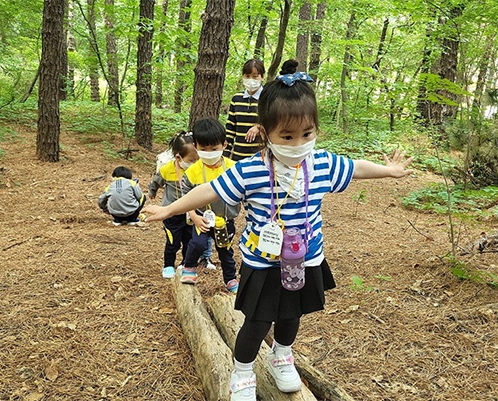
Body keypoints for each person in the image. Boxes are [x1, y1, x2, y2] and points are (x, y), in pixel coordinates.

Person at [143, 59, 413, 400]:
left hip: (307, 256)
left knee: (292, 314)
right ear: (265, 132)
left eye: (307, 134)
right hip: (263, 260)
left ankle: (282, 356)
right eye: (286, 135)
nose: (297, 142)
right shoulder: (251, 170)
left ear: (316, 130)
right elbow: (208, 191)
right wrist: (169, 208)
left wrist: (389, 171)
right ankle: (241, 372)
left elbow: (356, 167)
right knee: (257, 320)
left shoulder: (323, 163)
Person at [179, 118, 241, 293]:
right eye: (203, 149)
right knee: (197, 244)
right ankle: (189, 267)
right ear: (195, 147)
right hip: (201, 218)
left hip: (225, 221)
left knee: (225, 251)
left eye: (214, 149)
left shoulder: (233, 168)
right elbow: (186, 197)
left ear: (224, 145)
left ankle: (230, 279)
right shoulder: (192, 172)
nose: (209, 153)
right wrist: (194, 217)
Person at [148, 131, 200, 279]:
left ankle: (185, 264)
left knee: (189, 241)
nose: (195, 163)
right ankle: (168, 265)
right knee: (173, 241)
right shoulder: (167, 169)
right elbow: (156, 181)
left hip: (191, 213)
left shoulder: (197, 170)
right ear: (178, 157)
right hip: (172, 213)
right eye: (192, 160)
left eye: (198, 160)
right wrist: (152, 191)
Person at [224, 59, 265, 161]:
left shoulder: (268, 98)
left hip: (260, 158)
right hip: (238, 157)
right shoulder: (236, 99)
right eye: (247, 76)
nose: (251, 80)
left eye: (255, 76)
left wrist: (259, 127)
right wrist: (225, 153)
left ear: (262, 77)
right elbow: (230, 129)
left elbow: (275, 126)